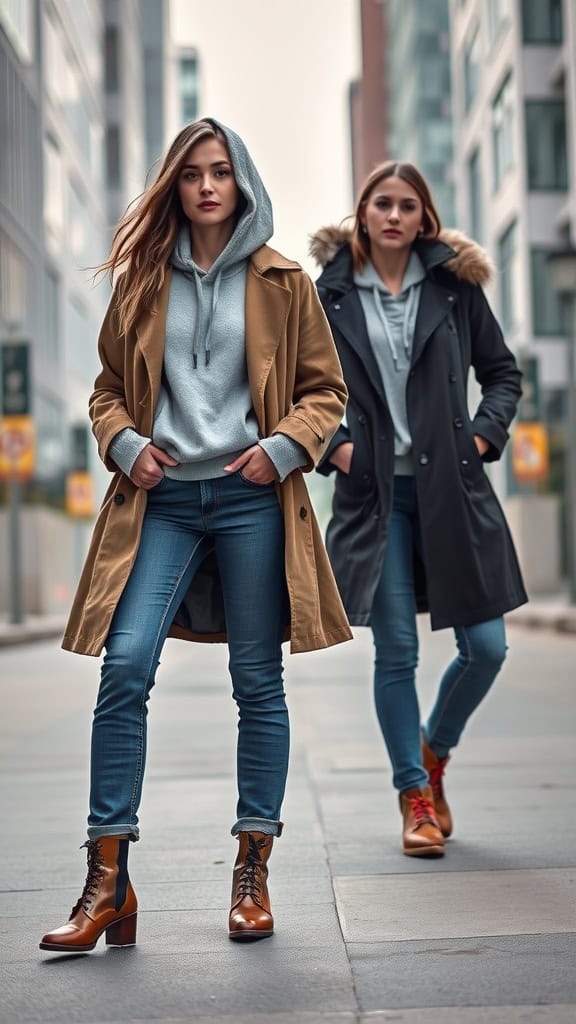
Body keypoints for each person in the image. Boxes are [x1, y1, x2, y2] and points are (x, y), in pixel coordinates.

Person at [40, 118, 351, 954]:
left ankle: (252, 871)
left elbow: (326, 391)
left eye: (220, 172)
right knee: (127, 664)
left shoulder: (285, 281)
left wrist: (282, 448)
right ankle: (108, 880)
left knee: (258, 682)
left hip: (253, 499)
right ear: (174, 185)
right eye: (191, 174)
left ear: (241, 181)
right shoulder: (143, 277)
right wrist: (127, 445)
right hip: (163, 503)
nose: (207, 186)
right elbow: (108, 390)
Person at [310, 161, 527, 858]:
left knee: (486, 648)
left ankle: (434, 751)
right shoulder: (329, 295)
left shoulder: (454, 288)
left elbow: (501, 372)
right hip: (376, 499)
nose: (394, 215)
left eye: (407, 205)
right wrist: (336, 447)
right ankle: (415, 798)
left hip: (453, 489)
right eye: (382, 203)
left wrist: (485, 432)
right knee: (397, 648)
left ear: (424, 218)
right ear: (362, 213)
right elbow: (291, 387)